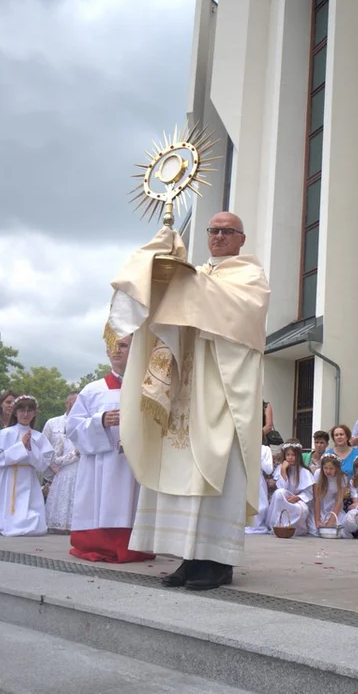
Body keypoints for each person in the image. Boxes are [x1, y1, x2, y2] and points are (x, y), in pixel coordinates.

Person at [105, 211, 270, 589]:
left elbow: (239, 314)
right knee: (181, 471)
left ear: (241, 239)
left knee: (217, 470)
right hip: (186, 390)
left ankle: (218, 561)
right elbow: (173, 307)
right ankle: (189, 558)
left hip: (221, 390)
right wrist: (162, 261)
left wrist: (184, 281)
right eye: (213, 230)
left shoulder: (249, 276)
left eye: (228, 231)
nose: (218, 236)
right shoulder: (198, 274)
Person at [66, 336, 154, 563]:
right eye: (113, 346)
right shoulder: (92, 390)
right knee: (101, 500)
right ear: (106, 352)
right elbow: (73, 429)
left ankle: (136, 545)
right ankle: (97, 542)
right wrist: (100, 421)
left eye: (123, 346)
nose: (117, 351)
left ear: (134, 349)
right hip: (101, 465)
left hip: (132, 464)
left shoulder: (148, 387)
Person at [0, 395, 53, 536]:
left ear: (34, 413)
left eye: (29, 411)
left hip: (28, 477)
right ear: (15, 413)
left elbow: (43, 465)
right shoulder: (5, 434)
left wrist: (30, 449)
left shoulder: (39, 437)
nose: (25, 414)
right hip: (9, 476)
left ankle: (28, 526)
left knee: (28, 505)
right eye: (22, 410)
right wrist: (20, 447)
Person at [44, 392, 79, 533]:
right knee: (61, 502)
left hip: (80, 474)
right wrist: (74, 455)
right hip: (61, 475)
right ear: (68, 403)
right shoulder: (54, 424)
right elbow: (48, 454)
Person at [266, 439, 314, 536]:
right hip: (284, 498)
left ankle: (293, 528)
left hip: (297, 500)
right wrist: (283, 470)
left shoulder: (304, 471)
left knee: (303, 509)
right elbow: (282, 488)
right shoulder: (280, 468)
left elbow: (308, 493)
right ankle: (277, 525)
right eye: (288, 455)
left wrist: (298, 497)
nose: (290, 457)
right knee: (279, 493)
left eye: (293, 455)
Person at [310, 453, 346, 535]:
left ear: (336, 468)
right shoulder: (318, 474)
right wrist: (317, 520)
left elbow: (339, 500)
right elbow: (317, 498)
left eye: (331, 468)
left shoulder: (342, 477)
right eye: (325, 468)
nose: (328, 471)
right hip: (320, 506)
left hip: (334, 507)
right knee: (315, 529)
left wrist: (331, 520)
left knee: (338, 529)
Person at [245, 445, 273, 534]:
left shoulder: (265, 449)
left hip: (257, 479)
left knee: (260, 504)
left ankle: (256, 525)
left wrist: (259, 457)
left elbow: (269, 470)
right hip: (243, 476)